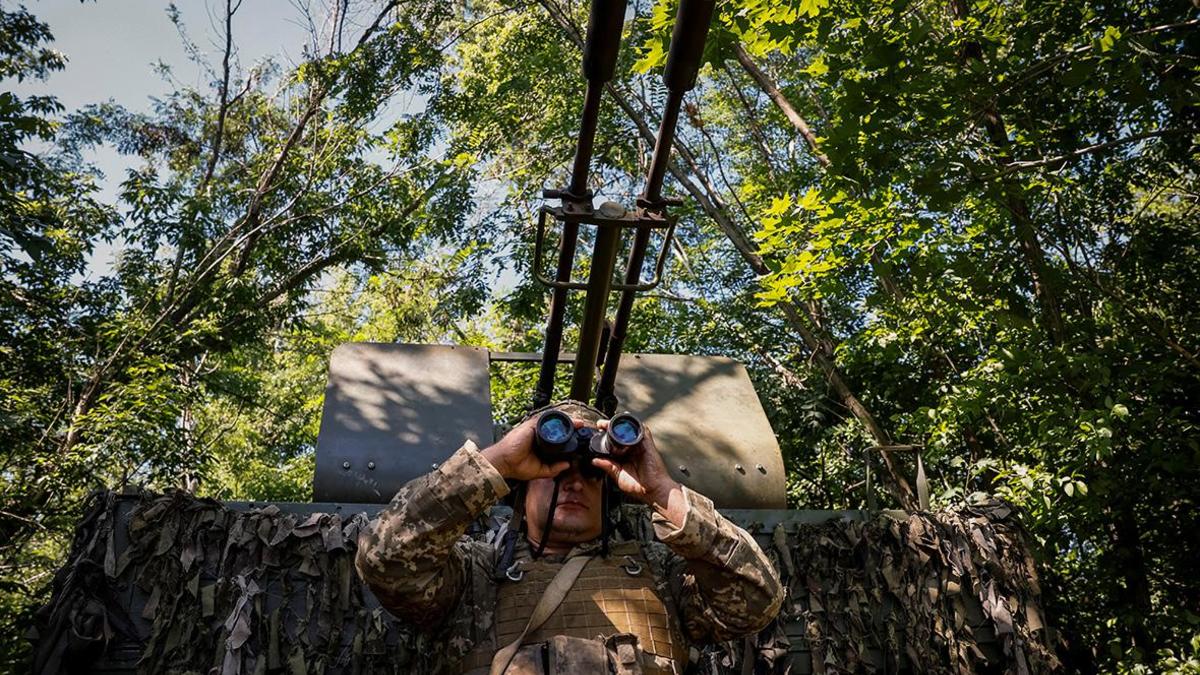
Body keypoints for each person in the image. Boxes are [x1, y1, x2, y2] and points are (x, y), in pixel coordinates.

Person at [355, 401, 784, 674]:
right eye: (556, 472)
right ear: (521, 492)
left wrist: (662, 491)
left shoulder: (660, 574)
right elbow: (384, 558)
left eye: (592, 475)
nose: (575, 484)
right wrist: (498, 461)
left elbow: (757, 600)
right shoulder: (474, 576)